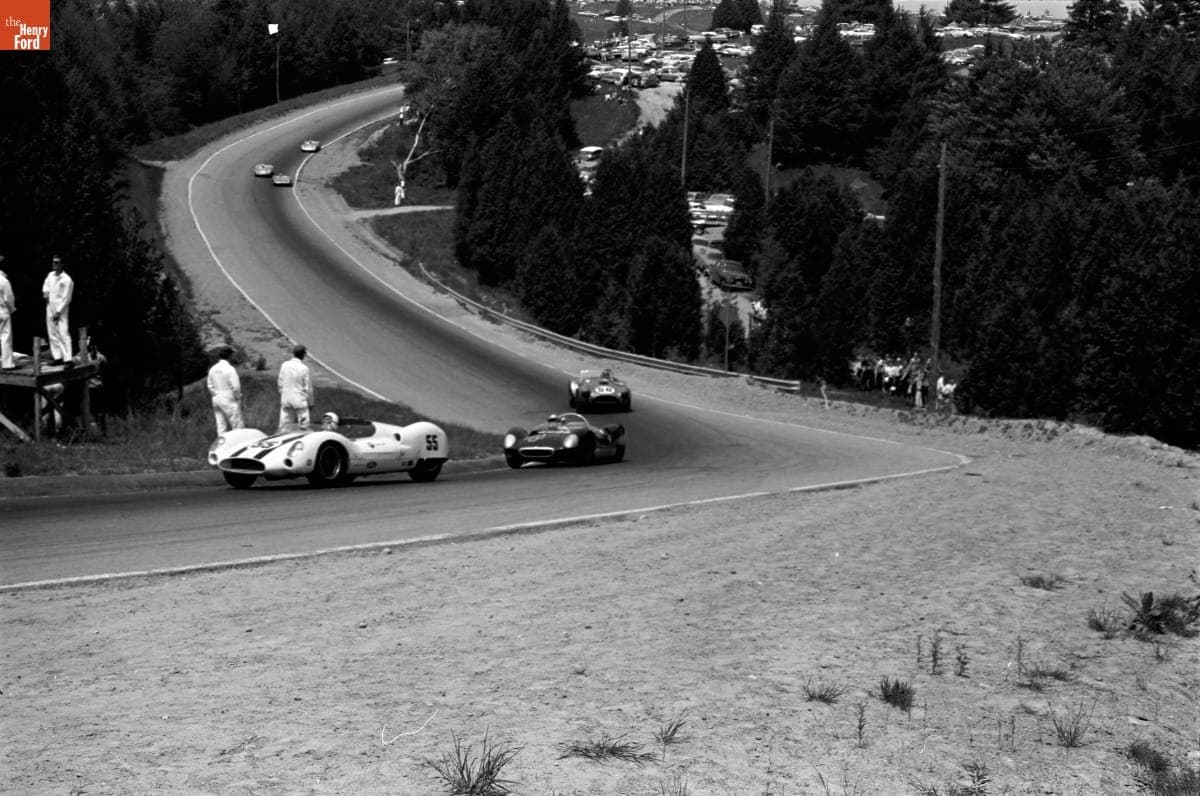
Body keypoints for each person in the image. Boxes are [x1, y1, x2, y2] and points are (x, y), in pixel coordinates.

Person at [42, 254, 74, 364]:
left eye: (56, 262)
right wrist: (45, 292)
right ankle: (57, 357)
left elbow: (66, 298)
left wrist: (59, 311)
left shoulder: (67, 279)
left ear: (62, 264)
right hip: (50, 306)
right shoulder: (50, 275)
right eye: (53, 262)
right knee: (52, 333)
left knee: (63, 333)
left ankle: (68, 359)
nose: (54, 264)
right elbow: (46, 286)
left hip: (61, 309)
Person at [206, 345, 242, 435]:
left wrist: (215, 394)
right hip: (228, 397)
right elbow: (236, 387)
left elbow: (209, 385)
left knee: (221, 424)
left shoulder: (213, 369)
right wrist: (237, 397)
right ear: (229, 356)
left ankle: (222, 445)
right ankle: (239, 443)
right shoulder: (230, 369)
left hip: (216, 398)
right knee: (237, 424)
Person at [277, 343, 313, 430]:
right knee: (304, 427)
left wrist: (283, 393)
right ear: (303, 355)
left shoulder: (284, 365)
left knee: (284, 426)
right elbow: (308, 388)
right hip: (300, 401)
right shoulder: (304, 368)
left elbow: (280, 383)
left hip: (286, 399)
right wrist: (311, 403)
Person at [0, 255, 14, 370]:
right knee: (5, 337)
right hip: (3, 311)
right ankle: (7, 363)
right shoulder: (4, 281)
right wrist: (12, 309)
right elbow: (8, 298)